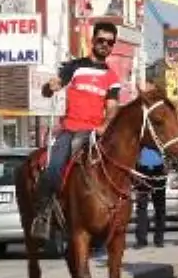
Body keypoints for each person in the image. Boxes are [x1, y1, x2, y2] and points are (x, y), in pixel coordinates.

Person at [31, 21, 122, 240]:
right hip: (70, 130)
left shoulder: (113, 78)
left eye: (109, 42)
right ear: (93, 41)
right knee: (52, 169)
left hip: (95, 134)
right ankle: (43, 216)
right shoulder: (76, 66)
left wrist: (105, 126)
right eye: (101, 40)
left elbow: (111, 108)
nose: (104, 45)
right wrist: (49, 87)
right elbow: (52, 87)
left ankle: (112, 219)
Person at [134, 145, 166, 249]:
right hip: (144, 169)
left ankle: (156, 239)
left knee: (158, 207)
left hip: (156, 169)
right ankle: (146, 240)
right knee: (145, 207)